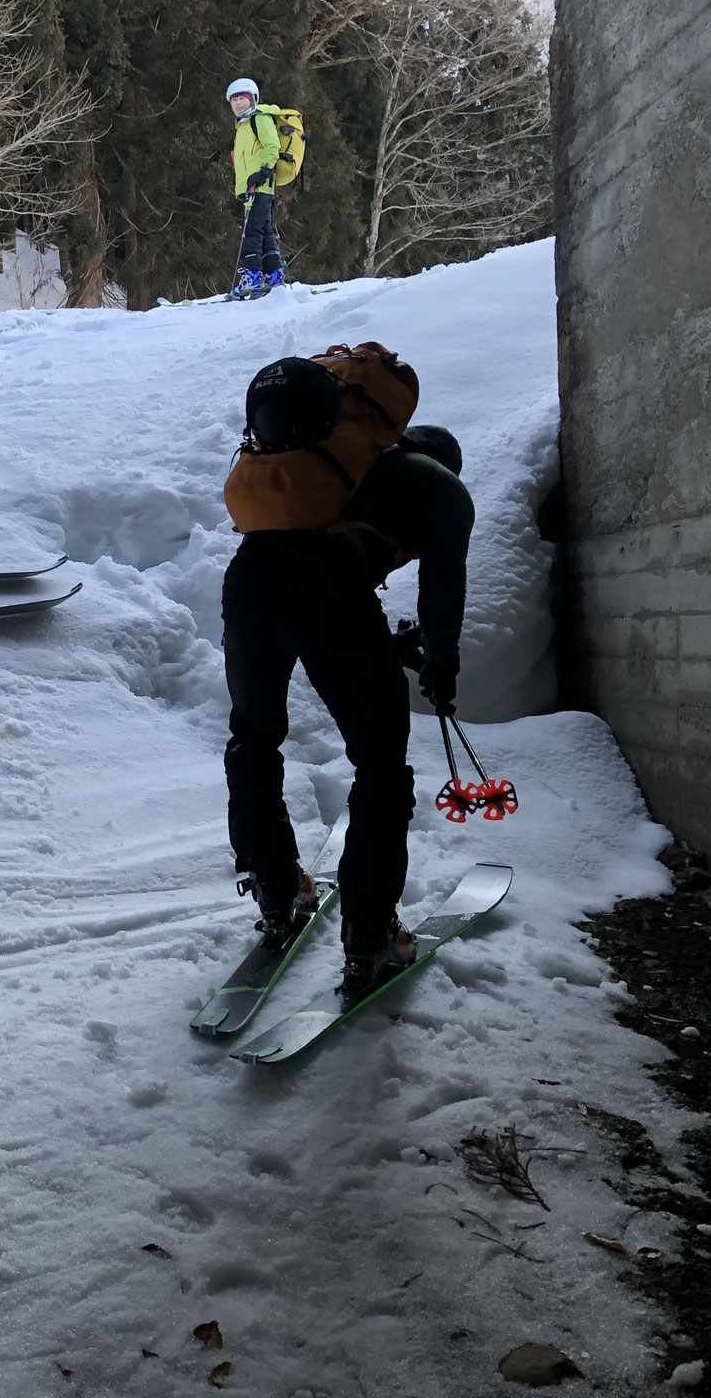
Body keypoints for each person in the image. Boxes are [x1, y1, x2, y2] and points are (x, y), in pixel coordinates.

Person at [220, 351, 474, 1001]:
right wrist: (440, 661)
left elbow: (298, 576)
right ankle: (370, 934)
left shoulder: (327, 464)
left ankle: (278, 891)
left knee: (254, 738)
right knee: (381, 766)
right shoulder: (440, 487)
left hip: (250, 581)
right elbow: (441, 585)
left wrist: (385, 644)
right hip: (328, 591)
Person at [225, 77, 285, 299]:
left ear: (253, 99)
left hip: (260, 185)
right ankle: (274, 275)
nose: (238, 103)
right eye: (234, 100)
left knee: (251, 231)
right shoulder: (242, 124)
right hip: (252, 187)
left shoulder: (258, 118)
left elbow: (272, 145)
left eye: (243, 98)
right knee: (264, 230)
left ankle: (251, 277)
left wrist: (265, 170)